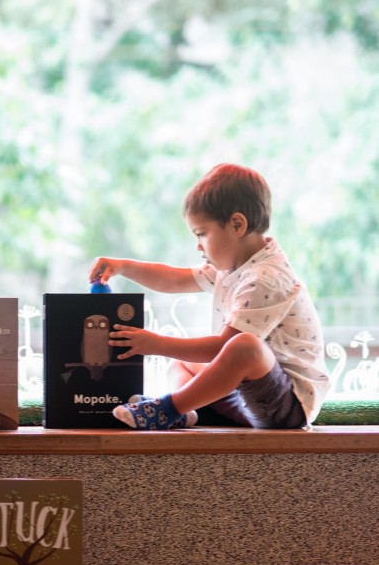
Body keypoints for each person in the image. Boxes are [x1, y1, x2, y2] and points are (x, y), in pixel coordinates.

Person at [89, 163, 330, 430]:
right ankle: (183, 410)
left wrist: (155, 343)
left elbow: (222, 347)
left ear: (237, 225)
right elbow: (174, 278)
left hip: (284, 407)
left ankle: (168, 408)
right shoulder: (233, 268)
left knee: (244, 346)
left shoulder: (265, 278)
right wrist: (123, 267)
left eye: (202, 234)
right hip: (245, 397)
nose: (198, 245)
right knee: (182, 364)